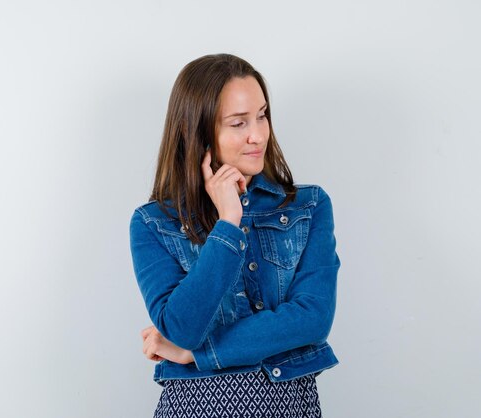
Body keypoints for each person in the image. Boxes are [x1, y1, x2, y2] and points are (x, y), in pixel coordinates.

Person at [129, 53, 340, 418]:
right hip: (197, 407)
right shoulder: (153, 224)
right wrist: (228, 222)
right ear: (199, 133)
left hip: (289, 405)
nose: (257, 134)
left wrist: (198, 353)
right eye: (238, 123)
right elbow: (181, 327)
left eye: (261, 115)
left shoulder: (308, 207)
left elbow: (313, 318)